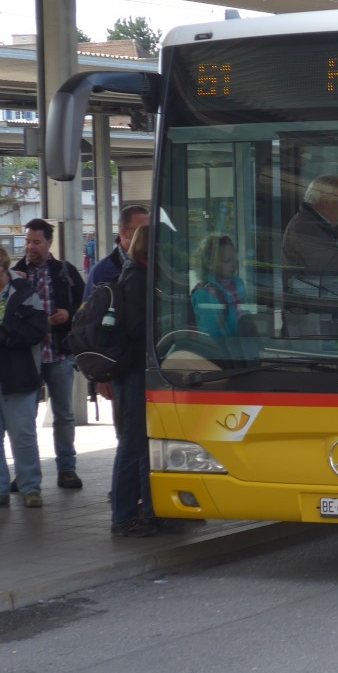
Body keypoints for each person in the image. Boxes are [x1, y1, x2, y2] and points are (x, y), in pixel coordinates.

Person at [110, 225, 176, 537]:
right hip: (136, 371)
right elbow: (137, 328)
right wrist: (167, 320)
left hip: (144, 370)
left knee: (147, 445)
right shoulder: (136, 277)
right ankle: (124, 516)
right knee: (133, 445)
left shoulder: (142, 274)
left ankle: (152, 511)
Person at [12, 218, 85, 491]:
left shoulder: (64, 271)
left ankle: (67, 469)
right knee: (24, 418)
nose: (30, 247)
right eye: (27, 241)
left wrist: (69, 313)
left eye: (36, 242)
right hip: (25, 357)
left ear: (49, 243)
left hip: (59, 354)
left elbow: (86, 304)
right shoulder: (15, 272)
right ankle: (25, 473)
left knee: (64, 415)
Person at [0, 246, 49, 509]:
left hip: (19, 375)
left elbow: (38, 329)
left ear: (4, 269)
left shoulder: (25, 293)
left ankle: (31, 488)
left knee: (23, 436)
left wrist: (7, 334)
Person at [281, 174, 338, 291]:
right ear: (325, 202)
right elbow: (329, 269)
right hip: (312, 304)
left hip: (328, 300)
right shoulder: (303, 228)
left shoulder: (322, 226)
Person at [85, 204, 150, 299]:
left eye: (151, 230)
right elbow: (89, 311)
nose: (149, 236)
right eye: (142, 231)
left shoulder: (160, 263)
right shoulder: (101, 272)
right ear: (124, 233)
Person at [191, 234, 247, 337]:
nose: (234, 264)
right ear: (209, 263)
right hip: (225, 349)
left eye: (234, 260)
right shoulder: (204, 294)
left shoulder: (238, 284)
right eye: (227, 260)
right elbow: (212, 333)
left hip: (244, 343)